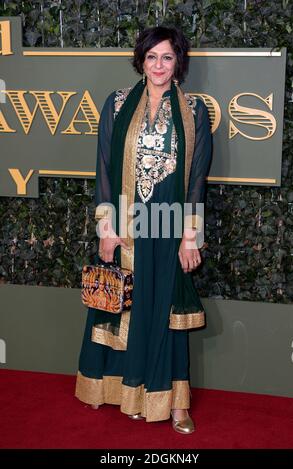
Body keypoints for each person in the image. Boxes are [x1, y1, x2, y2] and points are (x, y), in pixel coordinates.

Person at [75, 26, 212, 434]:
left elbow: (197, 178)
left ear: (178, 63)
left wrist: (190, 237)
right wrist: (106, 228)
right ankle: (126, 391)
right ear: (141, 60)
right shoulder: (117, 105)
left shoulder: (195, 110)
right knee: (129, 308)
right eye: (152, 57)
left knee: (166, 313)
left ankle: (174, 404)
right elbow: (102, 168)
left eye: (167, 57)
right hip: (127, 228)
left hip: (169, 229)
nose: (158, 65)